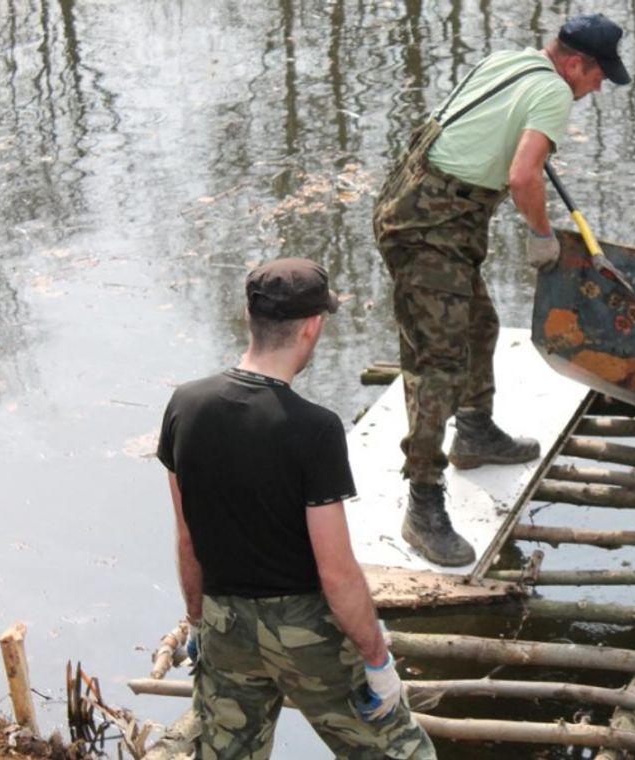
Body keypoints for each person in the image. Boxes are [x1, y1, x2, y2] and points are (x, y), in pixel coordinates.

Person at [373, 13, 632, 566]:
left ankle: (475, 431)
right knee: (437, 361)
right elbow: (522, 176)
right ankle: (422, 502)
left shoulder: (509, 60)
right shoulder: (553, 94)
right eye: (599, 74)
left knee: (479, 325)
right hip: (429, 228)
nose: (600, 85)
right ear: (573, 63)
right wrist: (542, 237)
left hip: (424, 205)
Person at [157, 258, 435, 759]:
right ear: (313, 327)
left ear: (249, 314)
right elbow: (336, 571)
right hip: (306, 632)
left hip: (225, 625)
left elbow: (187, 537)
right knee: (401, 753)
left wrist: (199, 623)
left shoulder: (184, 405)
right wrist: (377, 660)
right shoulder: (315, 429)